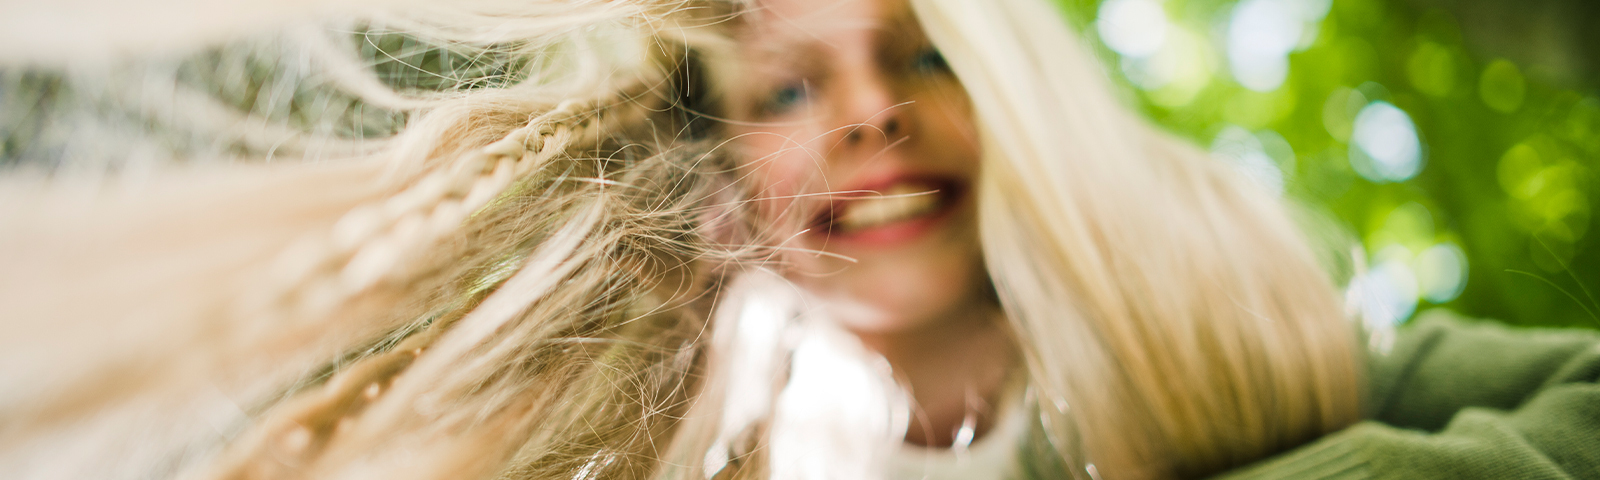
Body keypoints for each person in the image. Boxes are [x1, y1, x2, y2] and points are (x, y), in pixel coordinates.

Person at [1, 1, 1596, 480]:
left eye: (920, 58)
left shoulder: (1314, 371)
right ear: (710, 180)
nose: (867, 116)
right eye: (786, 88)